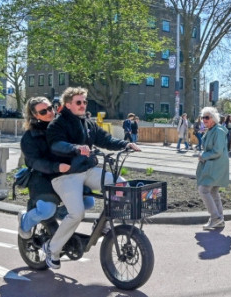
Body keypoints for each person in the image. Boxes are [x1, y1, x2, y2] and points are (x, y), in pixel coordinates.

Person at [44, 87, 140, 269]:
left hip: (87, 170)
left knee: (121, 185)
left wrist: (126, 144)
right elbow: (56, 145)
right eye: (78, 102)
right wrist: (75, 148)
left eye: (84, 102)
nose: (83, 105)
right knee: (77, 213)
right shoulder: (58, 124)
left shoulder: (88, 123)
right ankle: (52, 249)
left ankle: (103, 223)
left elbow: (106, 140)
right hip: (65, 175)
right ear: (68, 105)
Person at [17, 97, 76, 240]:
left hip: (64, 176)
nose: (50, 112)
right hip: (41, 178)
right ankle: (25, 220)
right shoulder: (30, 137)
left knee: (88, 201)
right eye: (43, 111)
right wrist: (56, 166)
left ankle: (59, 215)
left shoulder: (61, 128)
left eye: (51, 108)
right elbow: (33, 162)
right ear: (35, 116)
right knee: (47, 210)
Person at [196, 107, 229, 230]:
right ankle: (219, 219)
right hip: (215, 165)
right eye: (202, 117)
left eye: (207, 117)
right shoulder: (211, 130)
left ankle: (215, 218)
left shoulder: (218, 131)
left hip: (216, 165)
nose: (204, 120)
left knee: (203, 189)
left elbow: (217, 151)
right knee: (213, 191)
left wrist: (203, 155)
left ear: (214, 119)